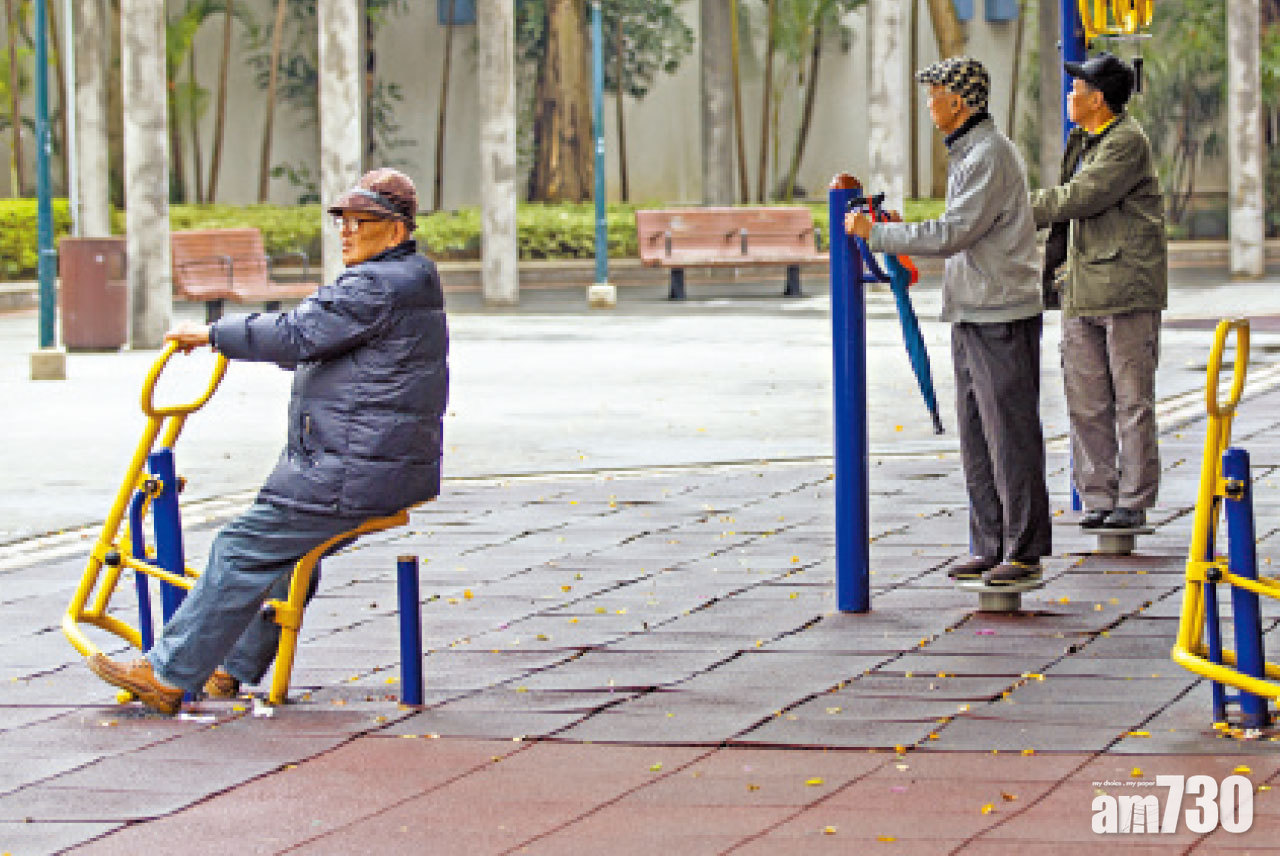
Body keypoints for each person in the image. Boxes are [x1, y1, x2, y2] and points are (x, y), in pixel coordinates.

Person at [87, 168, 449, 714]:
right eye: (344, 222)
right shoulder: (407, 280)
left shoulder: (376, 285)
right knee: (286, 557)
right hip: (377, 466)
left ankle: (168, 673)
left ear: (395, 231)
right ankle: (230, 669)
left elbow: (298, 333)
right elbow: (311, 339)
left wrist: (213, 335)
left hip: (352, 471)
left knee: (240, 548)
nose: (347, 232)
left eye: (361, 222)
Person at [846, 56, 1051, 586]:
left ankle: (1023, 550)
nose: (929, 104)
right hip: (975, 307)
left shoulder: (987, 155)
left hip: (1000, 312)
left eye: (934, 94)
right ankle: (990, 543)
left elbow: (951, 233)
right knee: (978, 436)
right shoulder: (969, 152)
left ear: (959, 102)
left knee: (1009, 435)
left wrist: (877, 234)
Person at [1031, 52, 1166, 532]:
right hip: (1083, 285)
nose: (1071, 96)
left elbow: (1080, 197)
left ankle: (1133, 499)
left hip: (1126, 287)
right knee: (1085, 399)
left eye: (1077, 89)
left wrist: (1012, 208)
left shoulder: (1126, 142)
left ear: (1098, 98)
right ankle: (1099, 497)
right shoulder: (1085, 139)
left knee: (1132, 400)